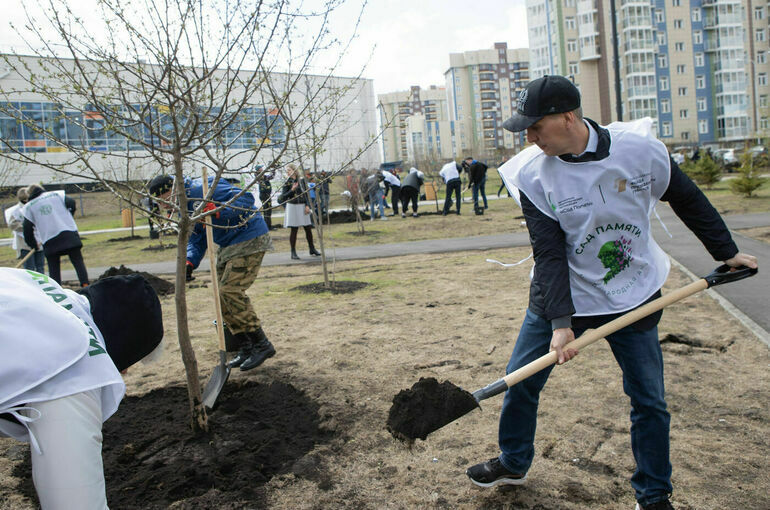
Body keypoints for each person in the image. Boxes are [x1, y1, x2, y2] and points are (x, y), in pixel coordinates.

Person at [465, 75, 758, 510]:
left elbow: (687, 198)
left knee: (649, 401)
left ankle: (654, 495)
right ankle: (514, 460)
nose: (528, 136)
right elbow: (548, 255)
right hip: (562, 296)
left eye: (534, 126)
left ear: (567, 117)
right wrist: (561, 325)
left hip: (632, 291)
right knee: (522, 384)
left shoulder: (639, 149)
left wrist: (726, 252)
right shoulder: (532, 173)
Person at [0, 269, 164, 510]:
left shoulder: (30, 283)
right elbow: (75, 501)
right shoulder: (74, 369)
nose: (124, 372)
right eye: (130, 363)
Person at [149, 173, 277, 372]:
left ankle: (262, 344)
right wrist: (190, 261)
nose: (164, 206)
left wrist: (218, 211)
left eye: (164, 200)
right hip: (228, 244)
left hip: (249, 237)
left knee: (229, 291)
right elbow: (197, 236)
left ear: (172, 190)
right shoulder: (184, 205)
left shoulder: (204, 189)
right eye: (159, 203)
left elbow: (245, 199)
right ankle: (246, 345)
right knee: (221, 297)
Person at [22, 184, 88, 287]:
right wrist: (69, 216)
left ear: (28, 194)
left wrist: (33, 244)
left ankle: (57, 289)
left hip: (49, 238)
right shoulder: (57, 194)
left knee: (53, 267)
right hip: (68, 232)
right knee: (77, 261)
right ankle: (85, 284)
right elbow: (71, 202)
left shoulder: (29, 206)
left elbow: (27, 229)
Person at [278, 165, 321, 259]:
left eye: (289, 170)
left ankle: (312, 248)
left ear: (294, 170)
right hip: (292, 206)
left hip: (302, 206)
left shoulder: (301, 181)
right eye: (287, 171)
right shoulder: (287, 182)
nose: (288, 172)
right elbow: (283, 197)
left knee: (308, 228)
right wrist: (292, 190)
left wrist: (307, 206)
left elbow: (306, 194)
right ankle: (293, 252)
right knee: (294, 229)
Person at [5, 188, 45, 273]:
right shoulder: (16, 211)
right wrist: (26, 227)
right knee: (30, 269)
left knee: (40, 267)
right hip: (25, 244)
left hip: (39, 242)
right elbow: (12, 224)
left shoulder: (34, 206)